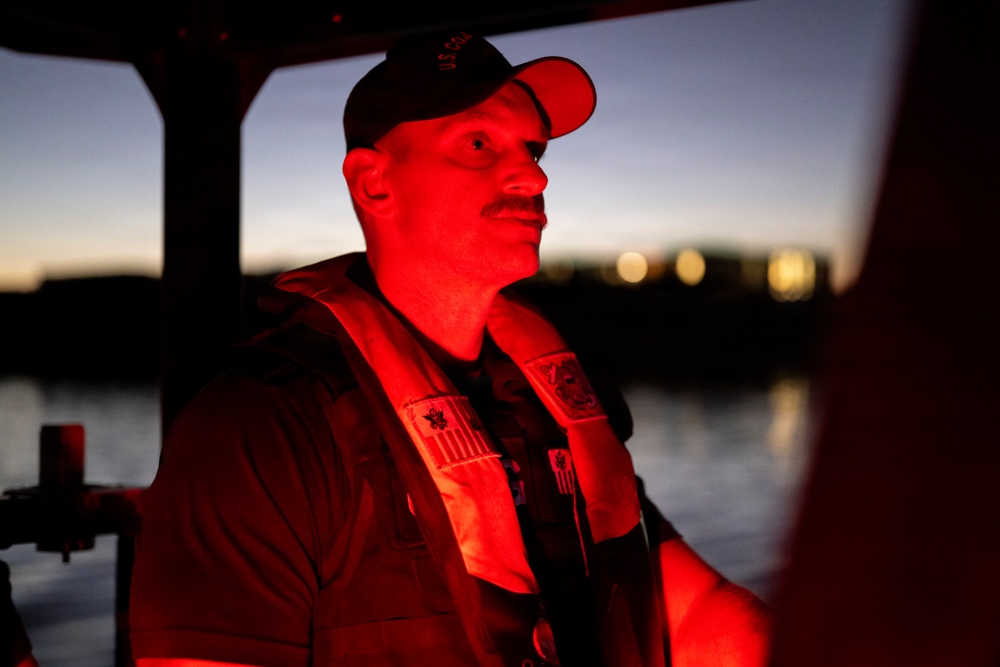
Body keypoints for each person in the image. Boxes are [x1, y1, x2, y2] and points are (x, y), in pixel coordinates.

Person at [129, 29, 770, 667]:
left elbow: (694, 612)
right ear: (374, 182)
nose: (532, 172)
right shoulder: (256, 433)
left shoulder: (555, 403)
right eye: (478, 143)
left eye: (532, 148)